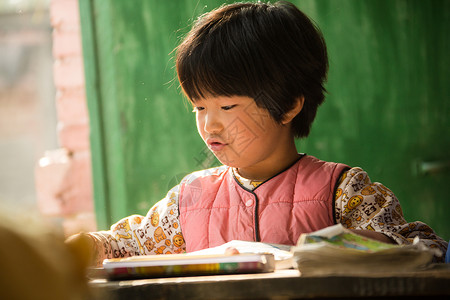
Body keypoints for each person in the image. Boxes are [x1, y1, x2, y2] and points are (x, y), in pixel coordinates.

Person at [67, 1, 447, 265]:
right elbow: (125, 246)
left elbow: (424, 249)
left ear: (288, 105)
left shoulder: (343, 192)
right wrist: (87, 245)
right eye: (199, 107)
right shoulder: (188, 202)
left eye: (227, 107)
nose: (209, 125)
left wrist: (355, 247)